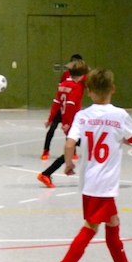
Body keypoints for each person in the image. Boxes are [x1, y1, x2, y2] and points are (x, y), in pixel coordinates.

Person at [46, 68, 132, 262]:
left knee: (113, 221)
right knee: (91, 227)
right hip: (104, 184)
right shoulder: (120, 115)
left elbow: (69, 144)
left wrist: (69, 164)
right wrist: (122, 139)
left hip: (90, 182)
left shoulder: (82, 116)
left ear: (89, 91)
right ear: (112, 89)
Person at [38, 60, 89, 188]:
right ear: (82, 74)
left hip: (69, 123)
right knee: (88, 147)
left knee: (72, 149)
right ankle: (46, 173)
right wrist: (67, 123)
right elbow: (70, 105)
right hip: (72, 123)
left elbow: (56, 102)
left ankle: (48, 173)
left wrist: (50, 118)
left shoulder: (63, 84)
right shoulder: (76, 87)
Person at [42, 54, 84, 160]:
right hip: (66, 109)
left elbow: (57, 100)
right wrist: (62, 120)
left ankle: (72, 151)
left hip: (70, 109)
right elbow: (65, 101)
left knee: (71, 133)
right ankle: (46, 150)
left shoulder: (82, 78)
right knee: (56, 130)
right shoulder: (69, 80)